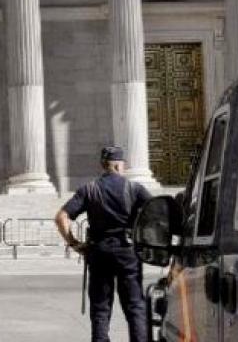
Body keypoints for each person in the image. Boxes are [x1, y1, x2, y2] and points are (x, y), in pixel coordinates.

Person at [55, 146, 152, 342]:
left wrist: (74, 243)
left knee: (100, 309)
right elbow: (157, 212)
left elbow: (61, 217)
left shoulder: (89, 189)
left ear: (103, 165)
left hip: (99, 251)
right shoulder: (135, 189)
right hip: (127, 251)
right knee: (135, 307)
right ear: (118, 165)